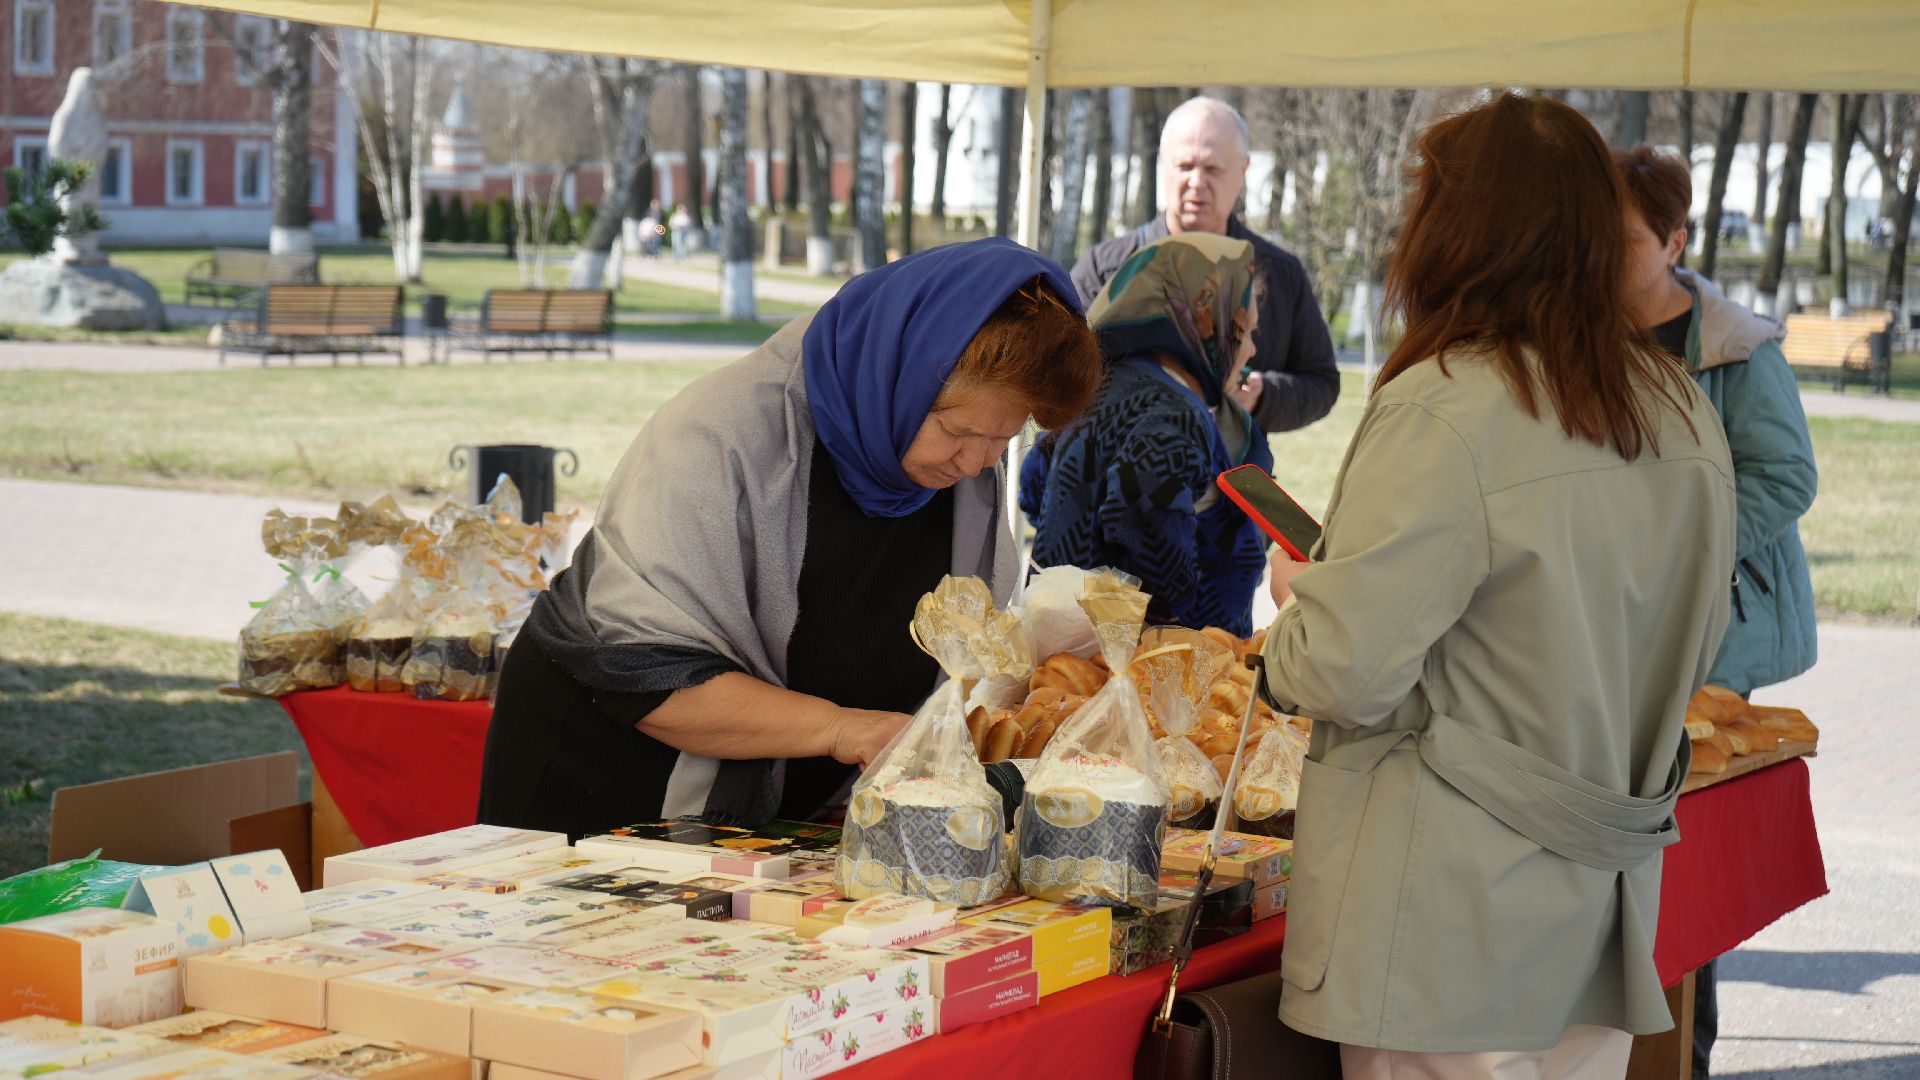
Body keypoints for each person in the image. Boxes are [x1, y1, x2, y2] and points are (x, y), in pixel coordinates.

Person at [1259, 94, 1737, 1077]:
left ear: (1455, 229)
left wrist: (1300, 607)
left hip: (1448, 916)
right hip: (1600, 895)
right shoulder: (1679, 408)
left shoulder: (1452, 403)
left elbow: (1343, 672)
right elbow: (1694, 640)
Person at [477, 238, 1103, 836]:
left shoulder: (962, 475)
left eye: (1003, 441)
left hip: (771, 826)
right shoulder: (716, 437)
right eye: (958, 430)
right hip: (596, 792)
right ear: (898, 376)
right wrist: (839, 729)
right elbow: (643, 668)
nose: (974, 464)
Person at [1616, 143, 1819, 1080]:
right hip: (1615, 628)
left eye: (1623, 242)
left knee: (1685, 872)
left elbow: (1788, 476)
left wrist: (1683, 539)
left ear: (1676, 238)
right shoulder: (1581, 332)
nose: (1603, 260)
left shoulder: (1738, 344)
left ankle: (1681, 1055)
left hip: (1714, 636)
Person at [1021, 233, 1271, 635]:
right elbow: (1145, 524)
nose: (1251, 351)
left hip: (1063, 633)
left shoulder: (1097, 382)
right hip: (1145, 657)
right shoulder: (1176, 411)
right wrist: (1174, 608)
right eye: (1245, 331)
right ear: (1208, 319)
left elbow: (1034, 486)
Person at [1071, 96, 1339, 435]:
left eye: (1212, 169)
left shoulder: (1278, 273)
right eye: (1185, 166)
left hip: (1232, 480)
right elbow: (1063, 373)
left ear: (1243, 170)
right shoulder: (1105, 269)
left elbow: (1322, 383)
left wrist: (1264, 396)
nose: (1196, 182)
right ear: (1163, 165)